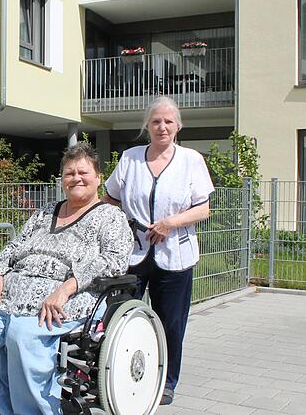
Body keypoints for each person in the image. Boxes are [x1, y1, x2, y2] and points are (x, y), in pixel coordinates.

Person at [0, 143, 133, 415]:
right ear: (62, 179)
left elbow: (114, 261)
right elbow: (14, 247)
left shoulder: (111, 217)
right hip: (12, 297)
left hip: (67, 298)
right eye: (69, 173)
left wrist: (68, 286)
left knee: (23, 334)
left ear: (98, 178)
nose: (76, 178)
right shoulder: (44, 213)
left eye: (83, 172)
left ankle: (32, 411)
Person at [103, 96, 214, 405]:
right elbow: (110, 197)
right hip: (133, 254)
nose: (162, 126)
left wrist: (170, 223)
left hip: (175, 255)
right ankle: (119, 374)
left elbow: (203, 209)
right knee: (121, 317)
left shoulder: (191, 160)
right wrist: (124, 222)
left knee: (171, 322)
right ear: (147, 126)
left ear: (178, 126)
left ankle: (166, 380)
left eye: (168, 121)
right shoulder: (130, 158)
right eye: (156, 121)